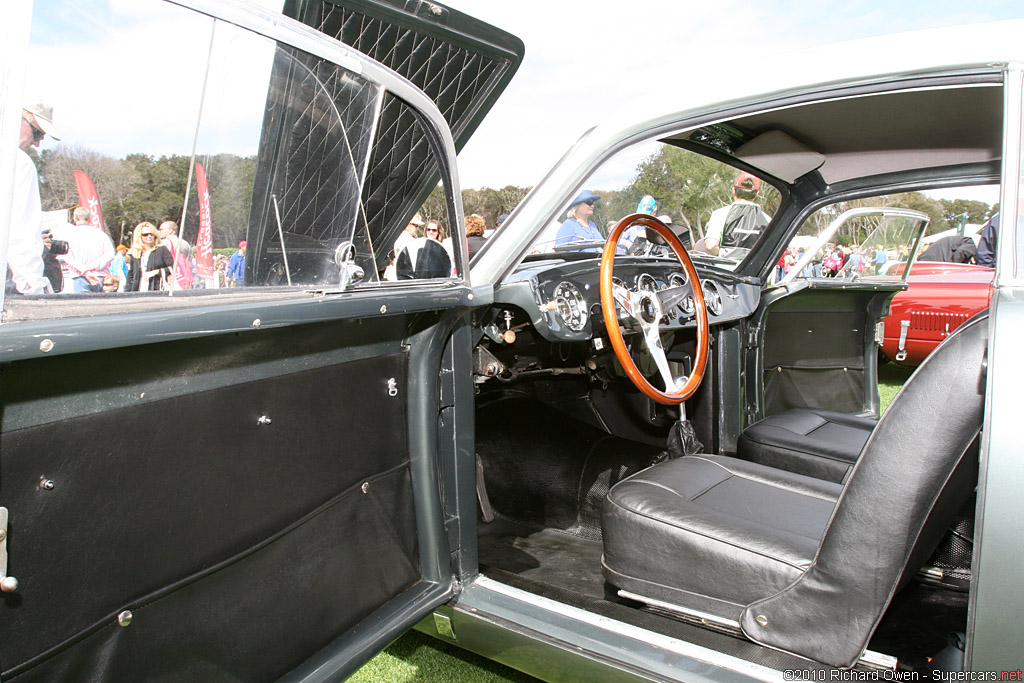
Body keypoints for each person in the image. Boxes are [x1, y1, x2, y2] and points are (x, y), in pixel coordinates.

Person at [7, 102, 59, 295]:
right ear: (16, 119)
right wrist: (33, 283)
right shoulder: (18, 162)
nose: (37, 143)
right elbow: (21, 231)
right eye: (37, 133)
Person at [702, 172, 771, 257]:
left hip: (724, 268)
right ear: (757, 193)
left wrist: (722, 256)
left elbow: (711, 245)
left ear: (734, 190)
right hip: (755, 269)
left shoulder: (720, 214)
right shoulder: (767, 219)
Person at [54, 206, 115, 293]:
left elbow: (68, 257)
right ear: (89, 218)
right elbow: (109, 254)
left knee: (84, 305)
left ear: (74, 218)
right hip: (101, 277)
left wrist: (85, 270)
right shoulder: (101, 235)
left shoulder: (68, 236)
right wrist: (93, 266)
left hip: (80, 277)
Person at [126, 222, 173, 291]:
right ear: (139, 236)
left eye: (152, 234)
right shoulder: (135, 252)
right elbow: (131, 275)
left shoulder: (162, 249)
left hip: (157, 288)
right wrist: (127, 292)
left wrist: (156, 272)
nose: (149, 236)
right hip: (138, 289)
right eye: (145, 234)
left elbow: (172, 268)